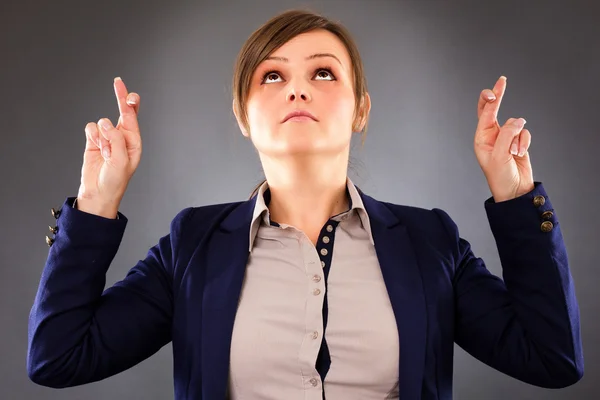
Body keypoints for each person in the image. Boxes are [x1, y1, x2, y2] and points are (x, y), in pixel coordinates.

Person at [27, 8, 583, 400]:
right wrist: (98, 204)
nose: (298, 90)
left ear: (360, 109)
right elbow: (58, 358)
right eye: (272, 75)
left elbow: (551, 358)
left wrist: (515, 198)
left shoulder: (429, 242)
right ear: (244, 118)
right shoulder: (192, 246)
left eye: (323, 72)